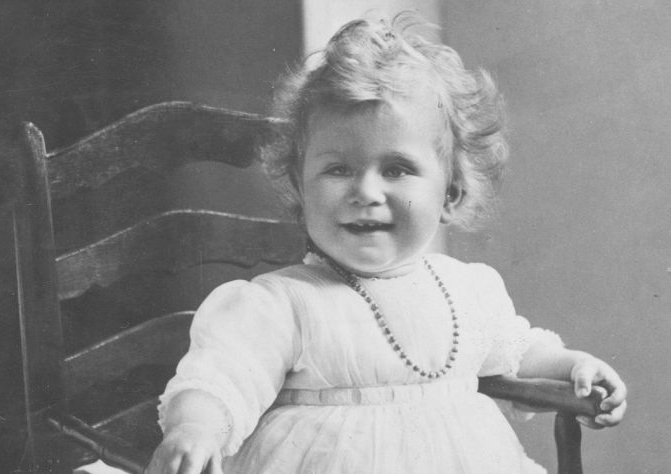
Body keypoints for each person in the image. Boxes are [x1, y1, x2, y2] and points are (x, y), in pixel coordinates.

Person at [147, 13, 627, 474]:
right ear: (299, 186)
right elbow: (221, 377)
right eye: (338, 169)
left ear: (451, 192)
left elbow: (517, 354)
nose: (366, 193)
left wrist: (573, 366)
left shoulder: (467, 292)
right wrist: (196, 428)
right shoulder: (282, 304)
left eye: (396, 169)